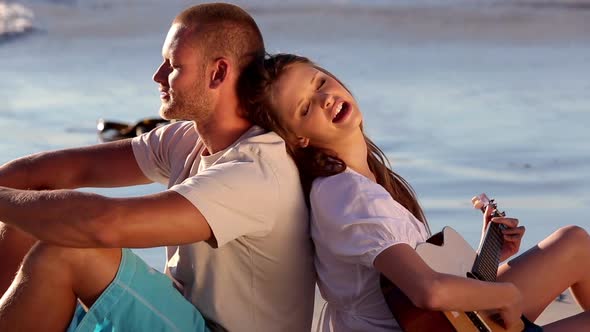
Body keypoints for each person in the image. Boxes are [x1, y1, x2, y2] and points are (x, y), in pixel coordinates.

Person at [0, 5, 315, 332]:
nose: (158, 76)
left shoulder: (255, 170)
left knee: (64, 248)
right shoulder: (187, 138)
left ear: (218, 73)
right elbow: (38, 175)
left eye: (173, 65)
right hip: (182, 316)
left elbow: (102, 224)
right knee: (30, 210)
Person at [238, 53, 590, 332]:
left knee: (574, 243)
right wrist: (506, 294)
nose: (325, 99)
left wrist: (487, 255)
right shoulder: (348, 196)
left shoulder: (361, 177)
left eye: (320, 83)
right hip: (428, 325)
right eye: (305, 107)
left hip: (440, 324)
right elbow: (429, 292)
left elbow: (406, 287)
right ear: (299, 137)